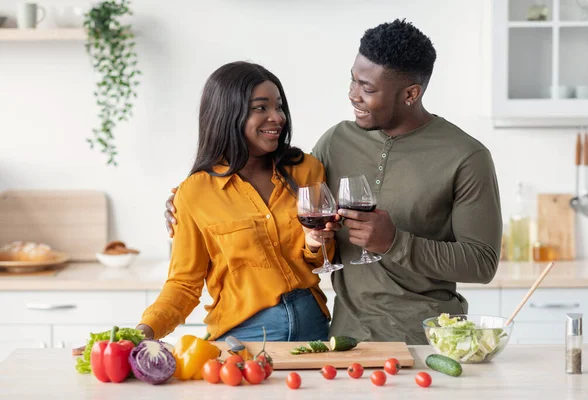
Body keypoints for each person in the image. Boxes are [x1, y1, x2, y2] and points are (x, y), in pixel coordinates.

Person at [165, 19, 502, 344]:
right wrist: (187, 204)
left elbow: (482, 263)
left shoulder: (466, 156)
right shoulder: (336, 142)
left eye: (367, 88)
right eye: (353, 80)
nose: (353, 95)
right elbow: (288, 198)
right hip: (344, 337)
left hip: (429, 338)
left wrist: (396, 242)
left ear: (410, 93)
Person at [138, 61, 335, 342]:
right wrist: (141, 334)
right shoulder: (195, 193)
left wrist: (316, 244)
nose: (277, 117)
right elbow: (183, 284)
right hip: (244, 335)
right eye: (260, 108)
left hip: (313, 327)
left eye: (279, 106)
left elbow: (328, 255)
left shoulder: (307, 170)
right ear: (227, 114)